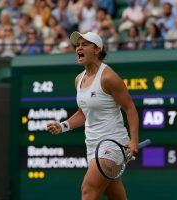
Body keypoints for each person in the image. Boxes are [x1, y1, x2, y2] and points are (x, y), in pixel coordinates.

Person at [46, 31, 139, 200]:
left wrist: (133, 140)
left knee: (88, 190)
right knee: (114, 195)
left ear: (97, 50)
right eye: (77, 45)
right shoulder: (78, 79)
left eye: (84, 44)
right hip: (92, 146)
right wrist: (62, 126)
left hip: (113, 145)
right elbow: (84, 113)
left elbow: (130, 108)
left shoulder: (109, 77)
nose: (78, 48)